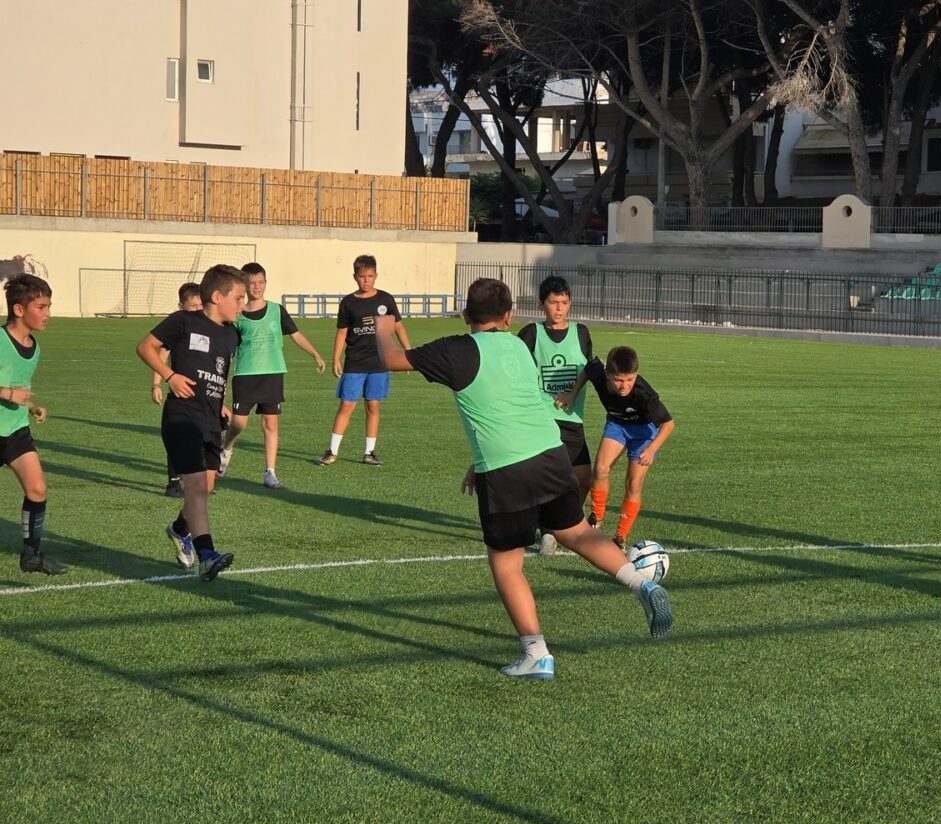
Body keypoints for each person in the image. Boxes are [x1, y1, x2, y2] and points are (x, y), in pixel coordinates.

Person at [372, 277, 673, 680]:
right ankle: (641, 584)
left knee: (507, 564)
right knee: (578, 532)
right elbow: (518, 402)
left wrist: (382, 327)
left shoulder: (457, 349)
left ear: (466, 314)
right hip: (550, 451)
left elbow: (391, 359)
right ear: (510, 315)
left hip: (504, 467)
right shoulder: (517, 346)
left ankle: (536, 654)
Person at [136, 264, 244, 581]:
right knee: (196, 486)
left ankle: (180, 529)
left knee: (205, 488)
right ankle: (207, 555)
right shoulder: (183, 321)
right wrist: (168, 376)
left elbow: (217, 373)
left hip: (211, 419)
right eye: (238, 298)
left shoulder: (231, 334)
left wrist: (221, 404)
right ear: (217, 296)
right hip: (182, 416)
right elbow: (145, 347)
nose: (242, 304)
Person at [219, 262, 326, 489]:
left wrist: (315, 354)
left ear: (266, 283)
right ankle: (226, 450)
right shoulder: (237, 315)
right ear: (244, 285)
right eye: (252, 283)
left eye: (261, 282)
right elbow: (227, 347)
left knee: (271, 423)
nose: (257, 287)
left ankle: (270, 472)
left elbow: (296, 334)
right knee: (238, 423)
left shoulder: (277, 310)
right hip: (246, 374)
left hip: (273, 373)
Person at [556, 345, 675, 550]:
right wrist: (572, 394)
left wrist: (651, 449)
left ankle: (620, 536)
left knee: (633, 483)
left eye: (630, 379)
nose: (624, 386)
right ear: (608, 374)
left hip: (644, 432)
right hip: (617, 425)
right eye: (619, 380)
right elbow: (587, 369)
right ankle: (597, 515)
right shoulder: (598, 373)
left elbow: (668, 424)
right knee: (601, 469)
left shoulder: (643, 393)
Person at [517, 275, 593, 556]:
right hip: (541, 418)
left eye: (564, 302)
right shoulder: (531, 333)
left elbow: (589, 368)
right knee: (545, 477)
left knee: (583, 479)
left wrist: (572, 392)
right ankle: (547, 529)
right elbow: (517, 370)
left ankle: (558, 524)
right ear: (541, 305)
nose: (559, 308)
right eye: (553, 302)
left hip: (572, 418)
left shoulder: (581, 332)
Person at [0, 274, 67, 575]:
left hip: (15, 429)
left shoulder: (34, 347)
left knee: (37, 489)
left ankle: (31, 555)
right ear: (18, 309)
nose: (47, 313)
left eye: (49, 306)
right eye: (41, 307)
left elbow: (20, 386)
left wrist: (31, 405)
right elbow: (9, 389)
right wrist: (6, 393)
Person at [317, 255, 410, 466]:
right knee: (347, 404)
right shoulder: (348, 302)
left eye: (369, 276)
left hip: (379, 362)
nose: (366, 280)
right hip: (355, 362)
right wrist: (336, 358)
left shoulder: (386, 300)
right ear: (354, 277)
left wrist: (408, 352)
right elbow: (342, 332)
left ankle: (369, 452)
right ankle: (332, 451)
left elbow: (398, 326)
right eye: (361, 276)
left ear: (376, 275)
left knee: (373, 405)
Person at [152, 282, 203, 498]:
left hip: (204, 395)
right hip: (181, 393)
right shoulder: (178, 329)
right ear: (181, 306)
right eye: (193, 306)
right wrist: (156, 384)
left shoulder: (208, 328)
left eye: (200, 305)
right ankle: (173, 482)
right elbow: (161, 357)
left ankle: (199, 481)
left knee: (201, 438)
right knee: (177, 438)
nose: (198, 310)